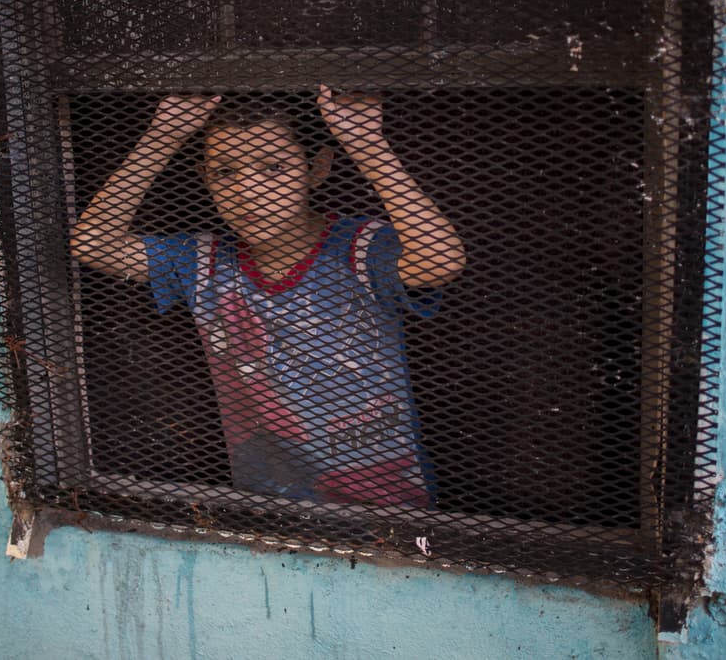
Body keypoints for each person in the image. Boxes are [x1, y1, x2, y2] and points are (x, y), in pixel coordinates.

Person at [70, 85, 465, 509]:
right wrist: (163, 136)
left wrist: (368, 146)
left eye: (273, 168)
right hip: (269, 507)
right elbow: (92, 243)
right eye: (226, 172)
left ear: (316, 169)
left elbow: (441, 261)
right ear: (205, 178)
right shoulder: (203, 261)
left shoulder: (359, 248)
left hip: (388, 505)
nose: (249, 191)